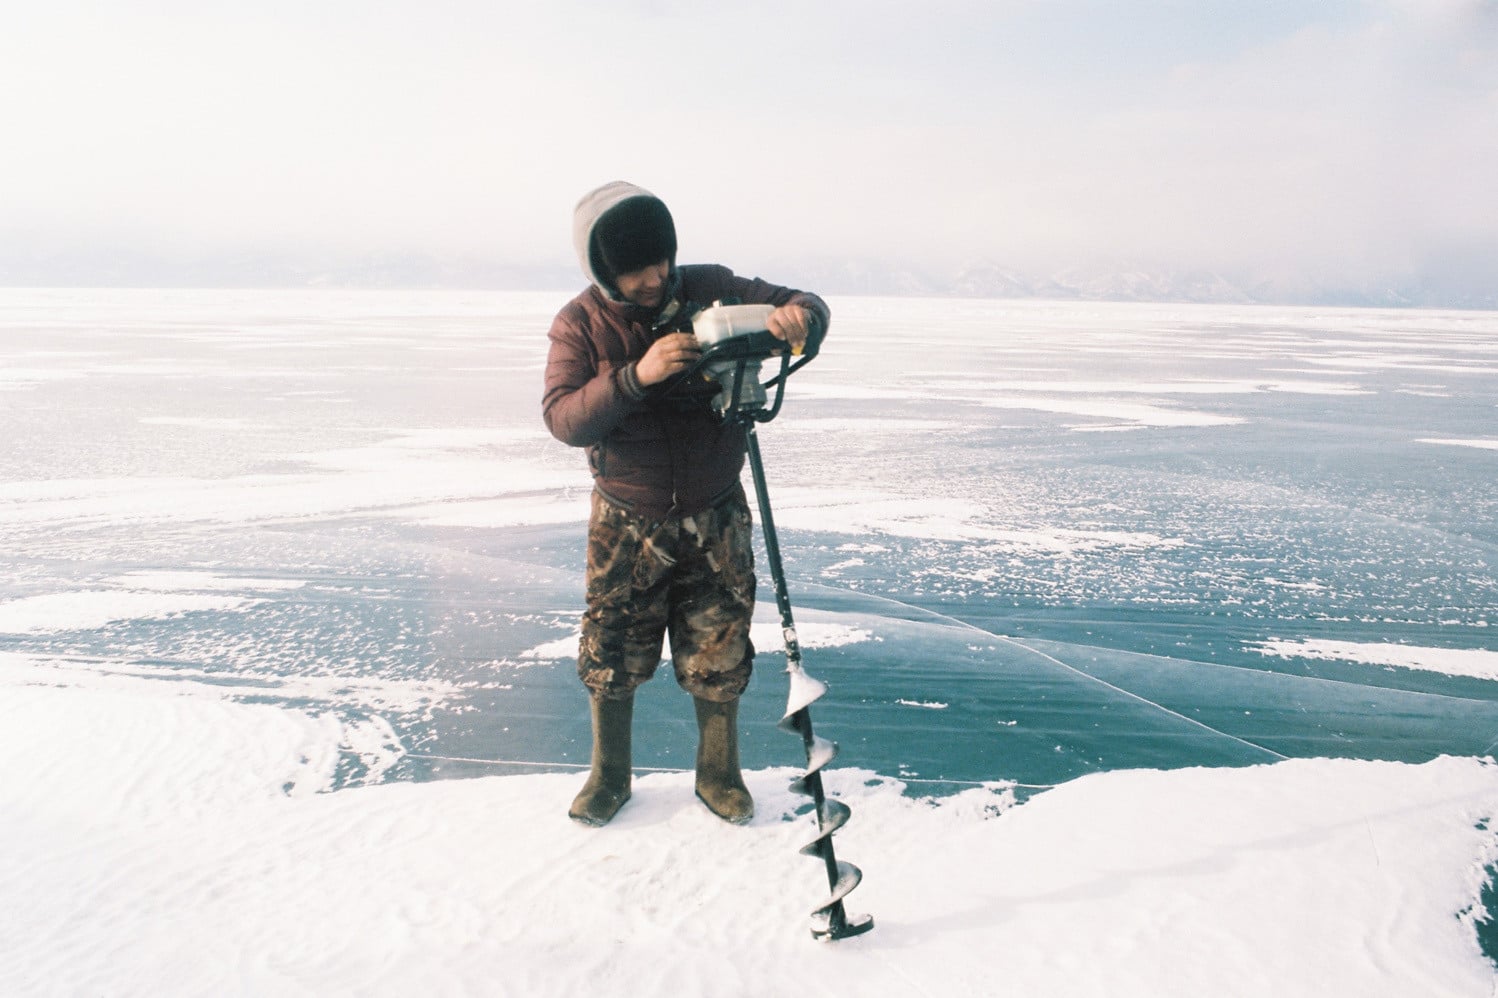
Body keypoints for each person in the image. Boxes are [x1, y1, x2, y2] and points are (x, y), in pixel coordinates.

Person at [542, 181, 829, 827]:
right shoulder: (580, 323)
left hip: (716, 509)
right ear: (603, 270)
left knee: (720, 646)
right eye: (635, 268)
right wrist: (635, 377)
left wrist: (801, 319)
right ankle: (609, 775)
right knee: (612, 650)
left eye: (661, 261)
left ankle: (719, 773)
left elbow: (803, 303)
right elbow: (563, 418)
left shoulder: (712, 287)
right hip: (626, 518)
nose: (654, 278)